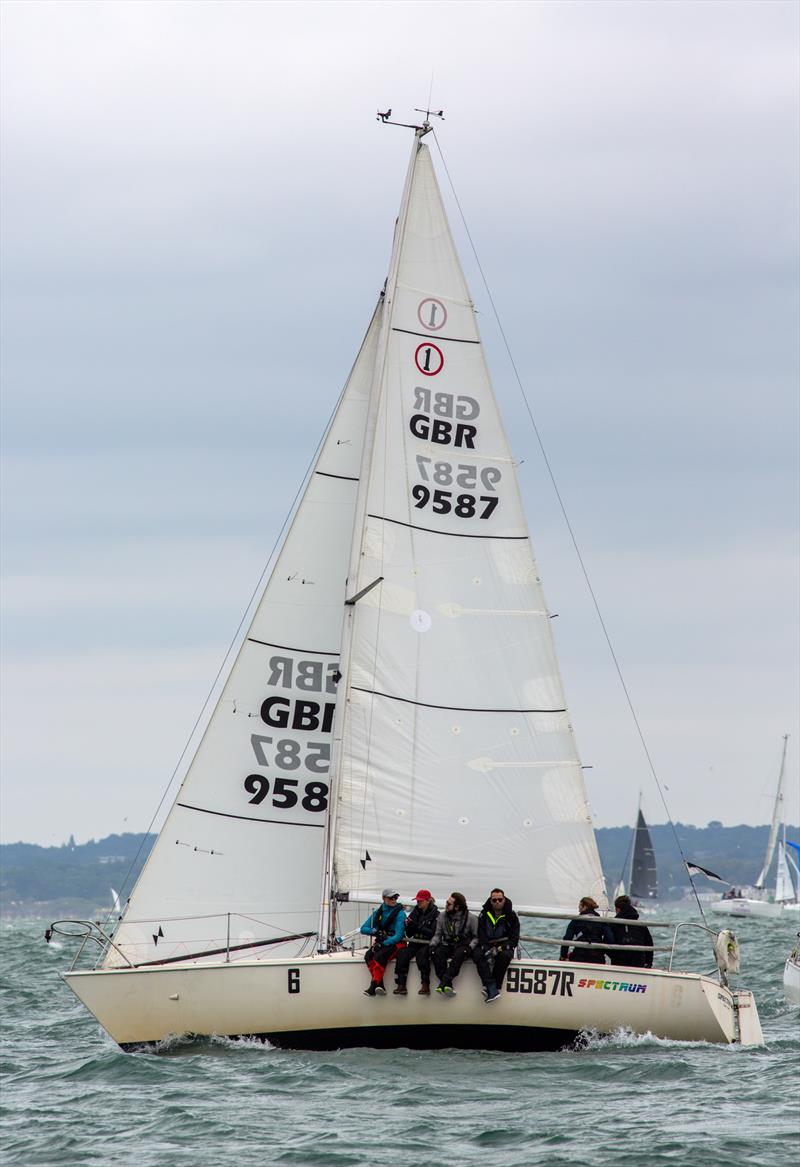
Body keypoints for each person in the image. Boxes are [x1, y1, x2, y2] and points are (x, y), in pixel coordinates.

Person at [473, 888, 520, 1004]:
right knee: (477, 954)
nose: (497, 902)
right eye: (494, 900)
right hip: (487, 944)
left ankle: (495, 987)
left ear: (504, 900)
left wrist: (501, 947)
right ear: (490, 901)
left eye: (500, 899)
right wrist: (486, 949)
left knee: (505, 955)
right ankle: (489, 985)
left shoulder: (511, 916)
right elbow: (481, 934)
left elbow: (514, 938)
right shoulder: (483, 915)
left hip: (503, 945)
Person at [360, 889, 407, 996]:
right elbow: (363, 928)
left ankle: (373, 986)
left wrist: (383, 944)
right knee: (368, 956)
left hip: (397, 943)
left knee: (379, 956)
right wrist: (374, 931)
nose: (394, 900)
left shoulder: (400, 914)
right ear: (384, 899)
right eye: (391, 898)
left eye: (395, 898)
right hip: (383, 941)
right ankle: (380, 985)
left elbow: (399, 935)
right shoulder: (378, 912)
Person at [430, 891, 477, 995]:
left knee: (458, 956)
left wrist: (470, 947)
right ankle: (447, 985)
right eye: (447, 903)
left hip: (463, 945)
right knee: (437, 954)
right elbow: (438, 934)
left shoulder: (472, 918)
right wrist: (432, 945)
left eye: (449, 904)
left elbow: (476, 937)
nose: (446, 905)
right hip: (447, 944)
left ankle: (443, 983)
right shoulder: (442, 916)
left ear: (457, 907)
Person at [393, 889, 439, 995]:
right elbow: (409, 934)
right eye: (417, 901)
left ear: (428, 901)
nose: (418, 903)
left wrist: (417, 926)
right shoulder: (415, 912)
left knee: (422, 955)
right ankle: (401, 984)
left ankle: (425, 984)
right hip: (415, 941)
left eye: (420, 901)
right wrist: (408, 926)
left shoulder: (436, 914)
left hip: (427, 943)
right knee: (402, 953)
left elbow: (433, 933)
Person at [559, 896, 614, 963]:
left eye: (580, 906)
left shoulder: (576, 920)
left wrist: (563, 956)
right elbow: (610, 938)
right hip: (597, 957)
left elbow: (567, 938)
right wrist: (601, 950)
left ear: (585, 907)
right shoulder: (601, 921)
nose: (578, 909)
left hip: (579, 956)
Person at [609, 895, 654, 968]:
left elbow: (607, 941)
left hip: (618, 963)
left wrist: (615, 956)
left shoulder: (613, 925)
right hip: (639, 962)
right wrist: (648, 963)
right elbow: (649, 944)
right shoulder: (641, 925)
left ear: (617, 909)